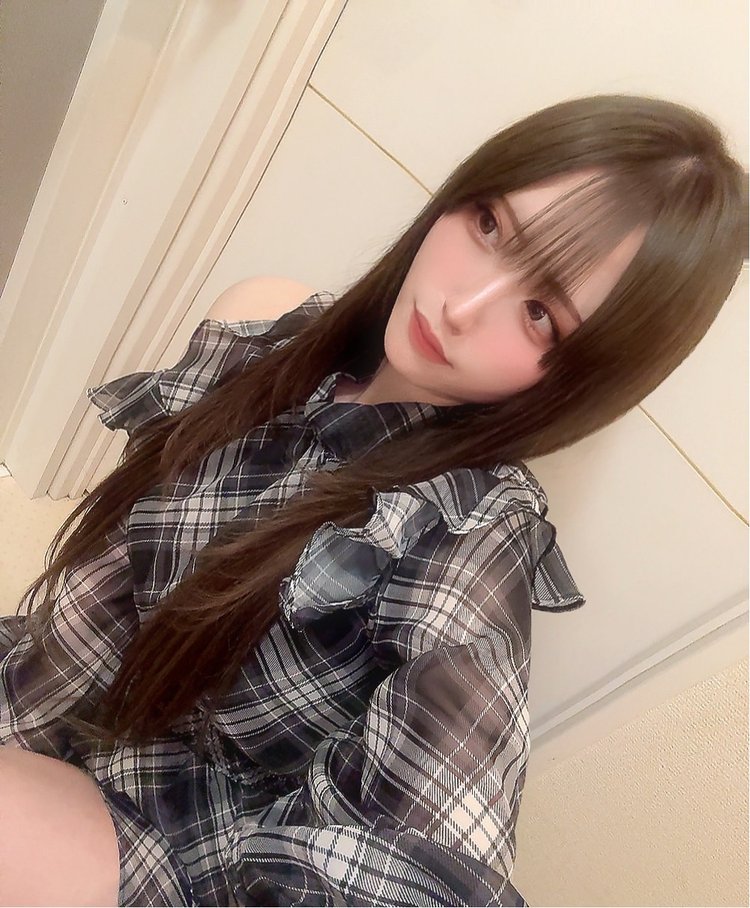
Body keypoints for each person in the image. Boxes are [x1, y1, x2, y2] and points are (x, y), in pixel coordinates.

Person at [0, 94, 746, 906]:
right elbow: (102, 592)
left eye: (539, 314)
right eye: (490, 225)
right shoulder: (269, 329)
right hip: (50, 696)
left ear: (585, 374)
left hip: (161, 835)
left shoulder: (462, 545)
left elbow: (424, 857)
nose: (461, 307)